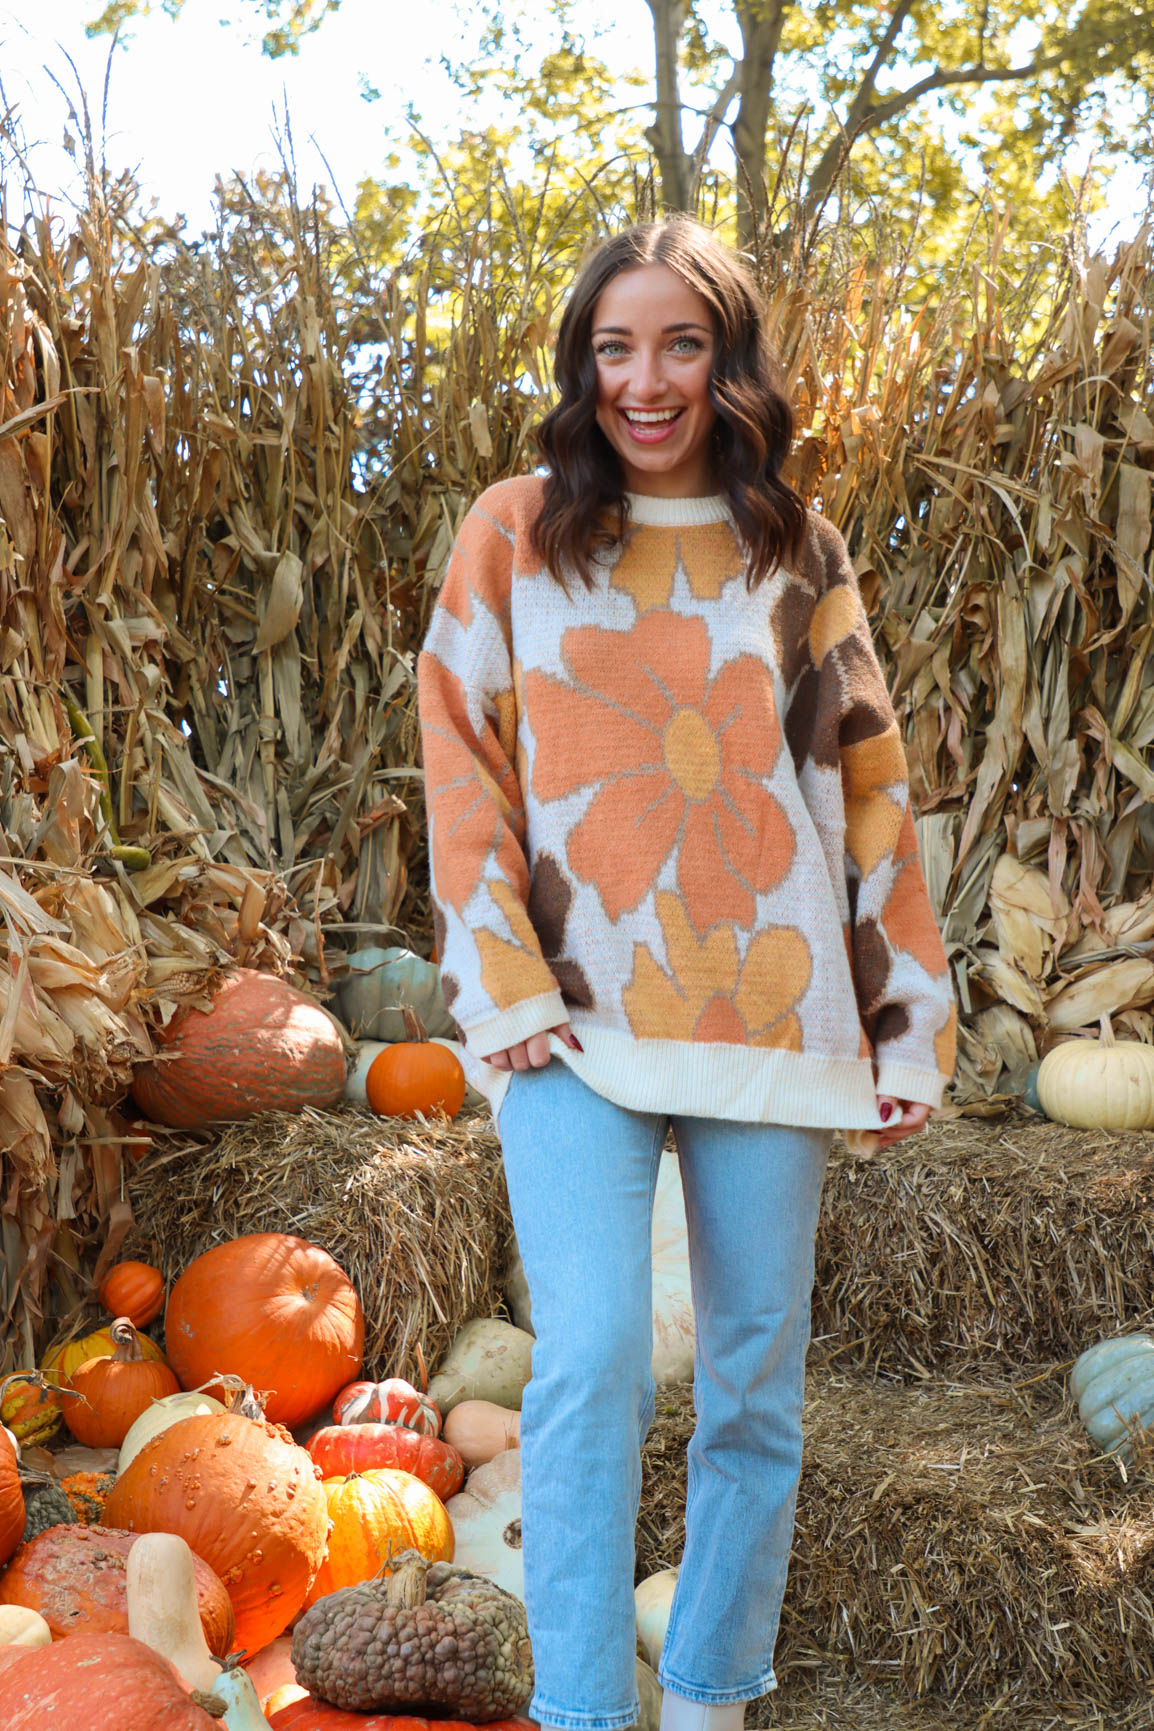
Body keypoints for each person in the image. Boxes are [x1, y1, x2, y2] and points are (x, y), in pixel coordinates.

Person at [417, 218, 955, 1731]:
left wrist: (903, 1018)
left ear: (727, 366)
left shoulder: (797, 548)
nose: (642, 380)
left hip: (773, 1018)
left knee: (751, 1395)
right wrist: (499, 980)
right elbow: (458, 754)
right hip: (571, 1026)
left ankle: (713, 1697)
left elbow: (867, 784)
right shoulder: (514, 530)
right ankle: (586, 1711)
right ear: (580, 366)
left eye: (677, 345)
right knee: (587, 1368)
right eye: (612, 347)